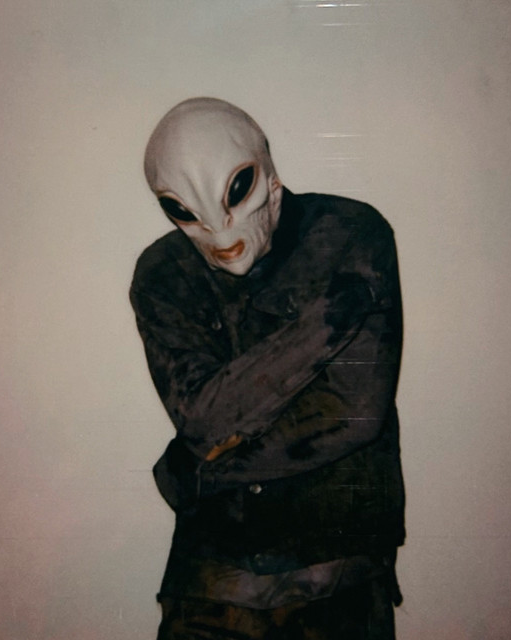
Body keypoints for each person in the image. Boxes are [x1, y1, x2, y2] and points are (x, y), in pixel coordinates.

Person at [130, 97, 405, 639]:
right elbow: (204, 420)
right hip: (212, 580)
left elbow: (353, 414)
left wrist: (199, 471)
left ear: (266, 172)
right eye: (186, 210)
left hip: (337, 574)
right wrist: (327, 320)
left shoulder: (350, 233)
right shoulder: (164, 273)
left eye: (236, 192)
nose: (223, 236)